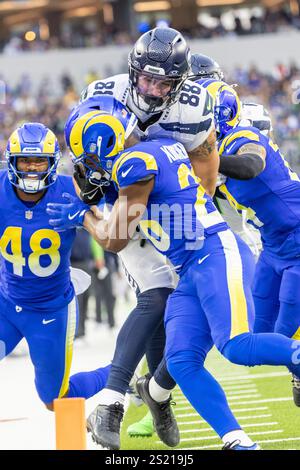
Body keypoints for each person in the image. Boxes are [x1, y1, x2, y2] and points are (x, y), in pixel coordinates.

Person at [48, 96, 300, 450]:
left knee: (237, 346)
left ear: (101, 143)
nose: (87, 166)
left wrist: (82, 215)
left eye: (87, 158)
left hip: (214, 255)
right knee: (181, 361)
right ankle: (237, 441)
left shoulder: (135, 165)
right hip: (191, 268)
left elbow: (114, 239)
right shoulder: (157, 148)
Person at [0, 122, 110, 411]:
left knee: (55, 400)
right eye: (25, 160)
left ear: (52, 162)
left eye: (39, 160)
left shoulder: (71, 189)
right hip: (6, 302)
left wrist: (89, 215)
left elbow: (112, 231)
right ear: (12, 161)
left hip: (50, 308)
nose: (32, 168)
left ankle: (122, 373)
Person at [211, 84, 300, 406]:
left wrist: (207, 160)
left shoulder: (241, 138)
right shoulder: (217, 150)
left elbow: (251, 166)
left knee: (283, 331)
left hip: (298, 242)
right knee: (251, 338)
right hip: (273, 246)